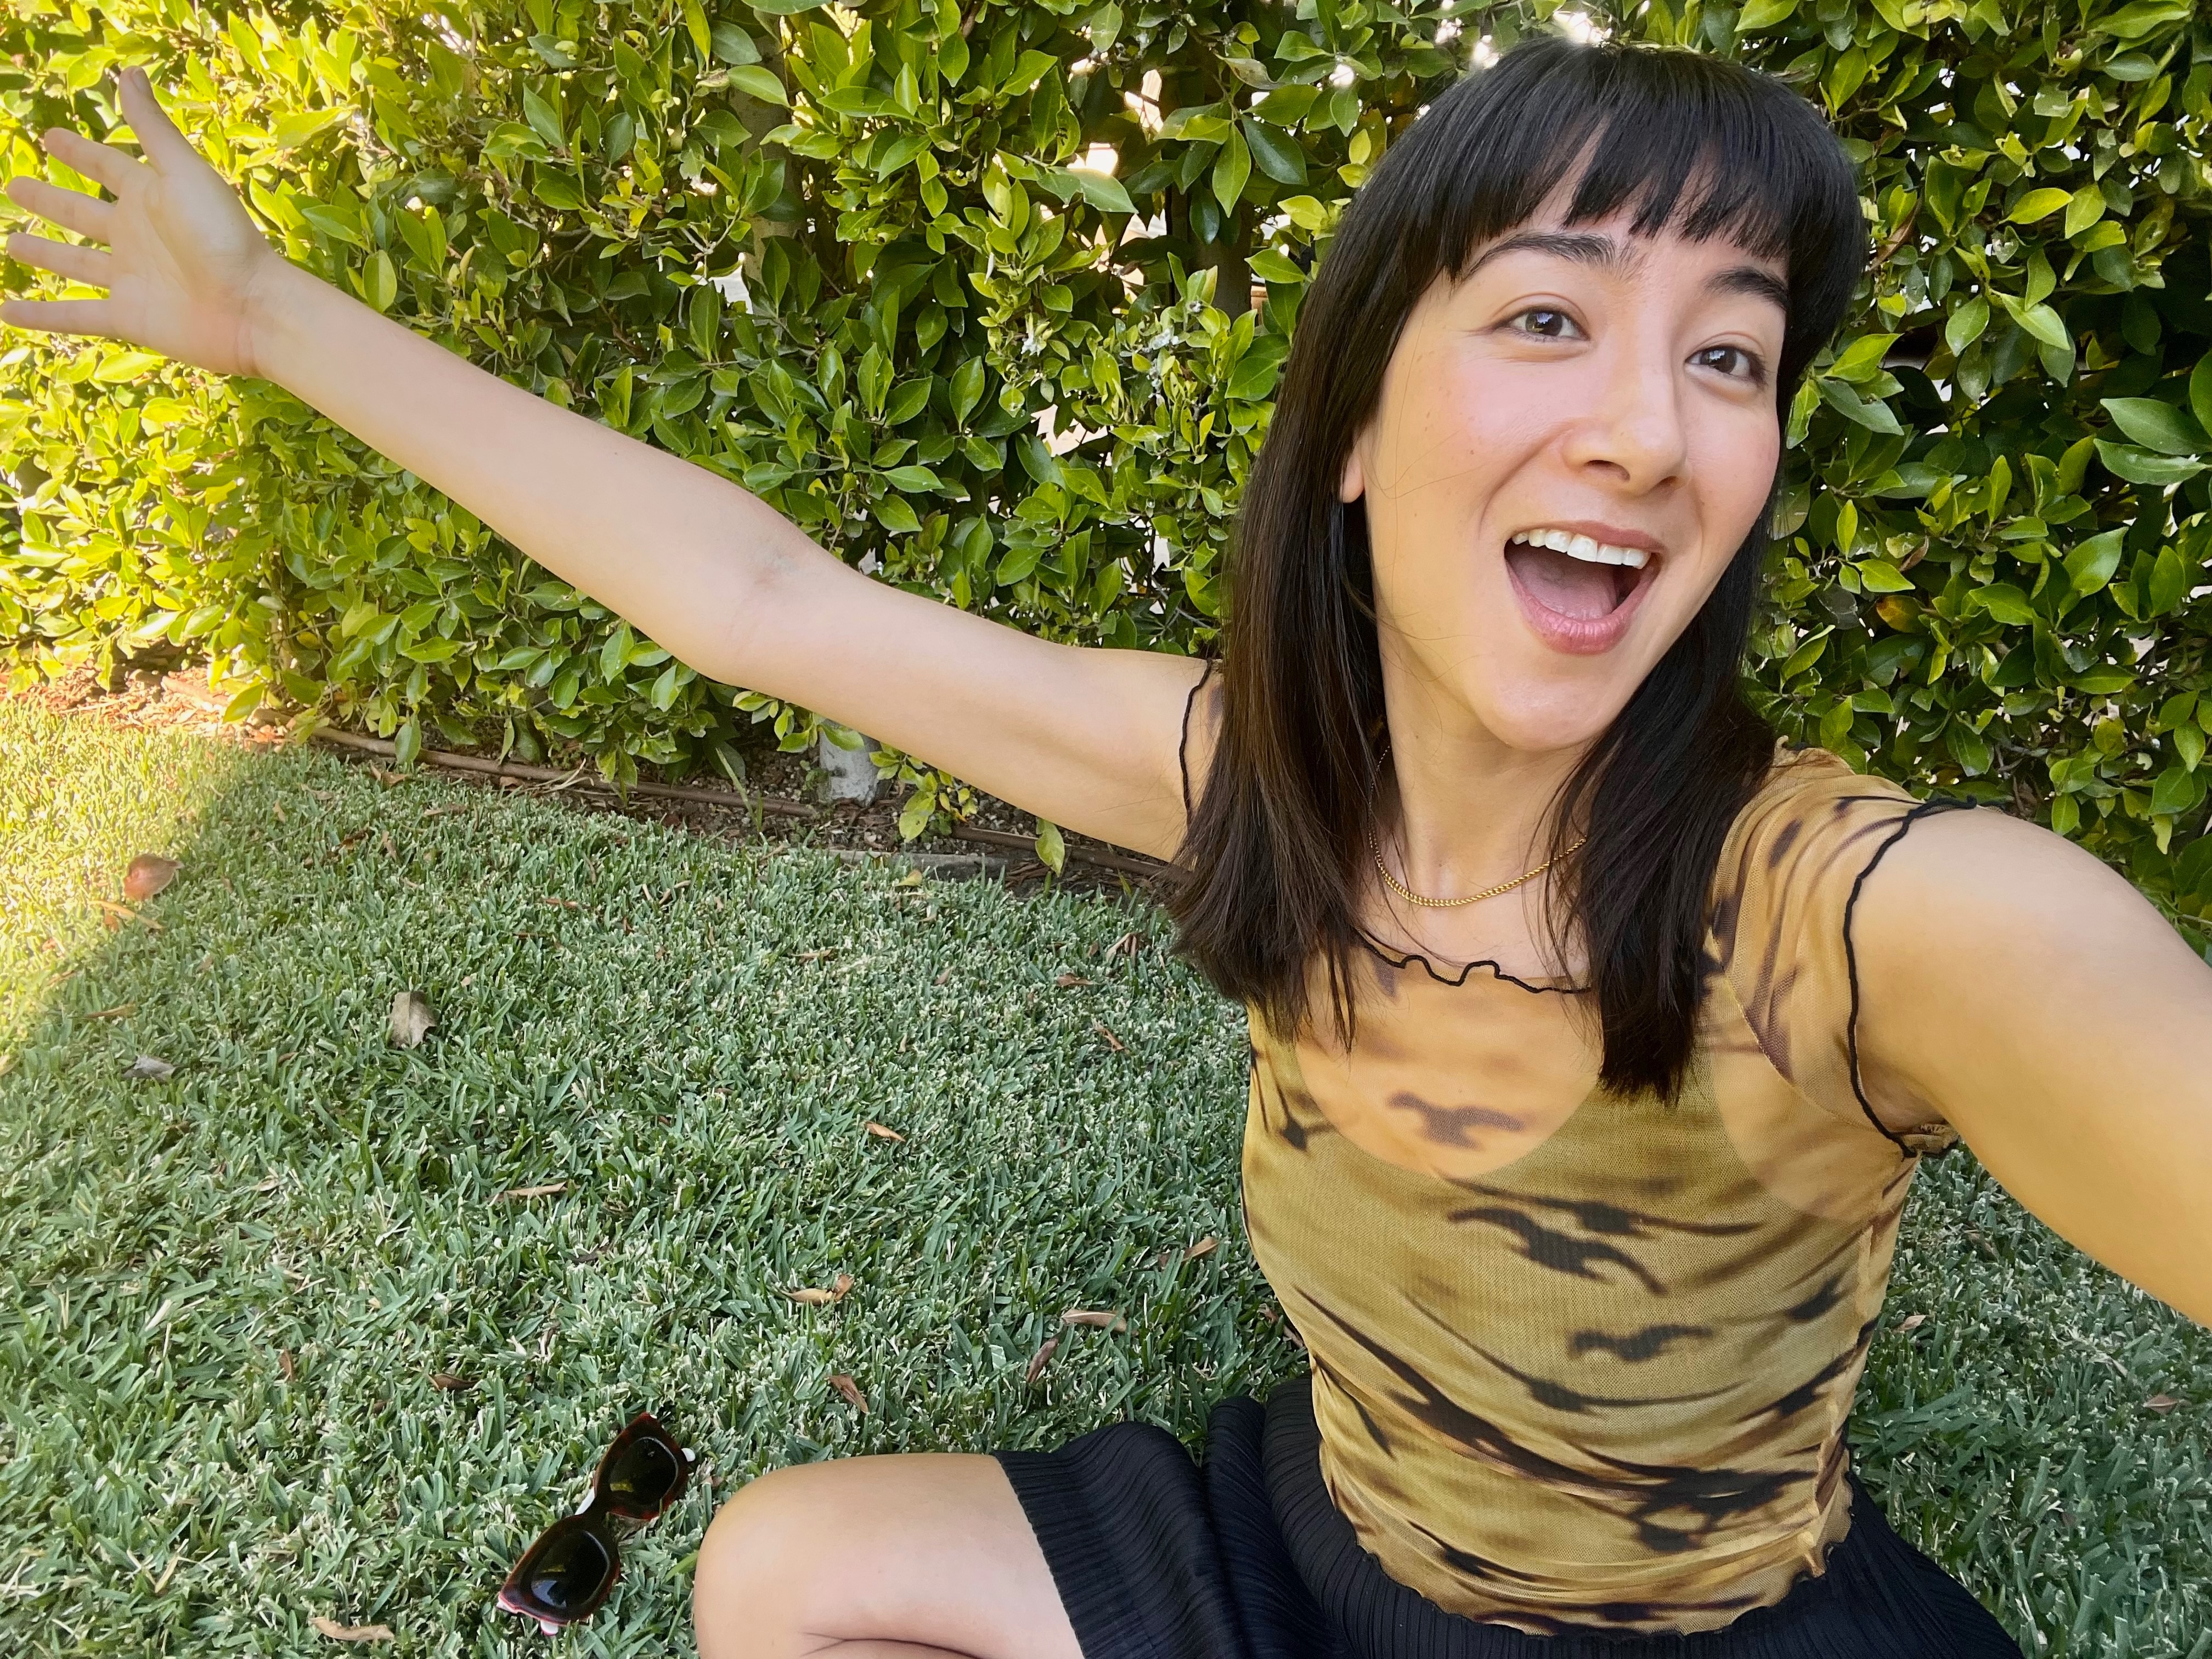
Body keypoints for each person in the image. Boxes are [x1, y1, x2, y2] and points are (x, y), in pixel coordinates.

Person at [5, 31, 2205, 1659]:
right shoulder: (1253, 772)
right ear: (1354, 433)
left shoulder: (1871, 919)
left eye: (1729, 359)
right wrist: (260, 315)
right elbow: (763, 603)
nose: (1647, 424)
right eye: (1550, 315)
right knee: (782, 1577)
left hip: (1698, 1632)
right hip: (1328, 1554)